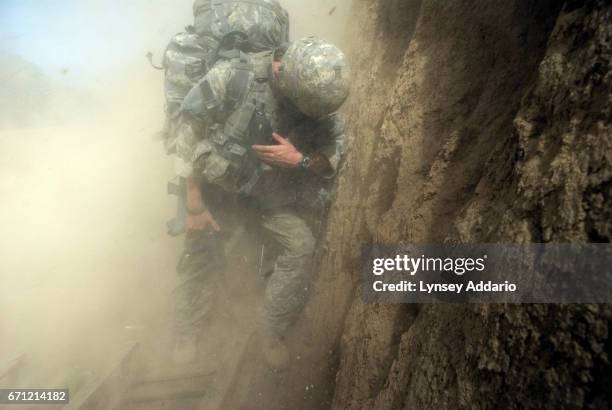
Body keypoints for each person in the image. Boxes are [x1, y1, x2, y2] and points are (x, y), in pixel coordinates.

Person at [171, 36, 350, 369]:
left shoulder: (317, 97)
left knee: (301, 248)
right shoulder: (232, 78)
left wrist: (302, 160)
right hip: (216, 189)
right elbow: (186, 131)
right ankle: (187, 329)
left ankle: (271, 329)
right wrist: (194, 202)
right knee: (199, 251)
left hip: (265, 195)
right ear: (282, 70)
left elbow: (334, 154)